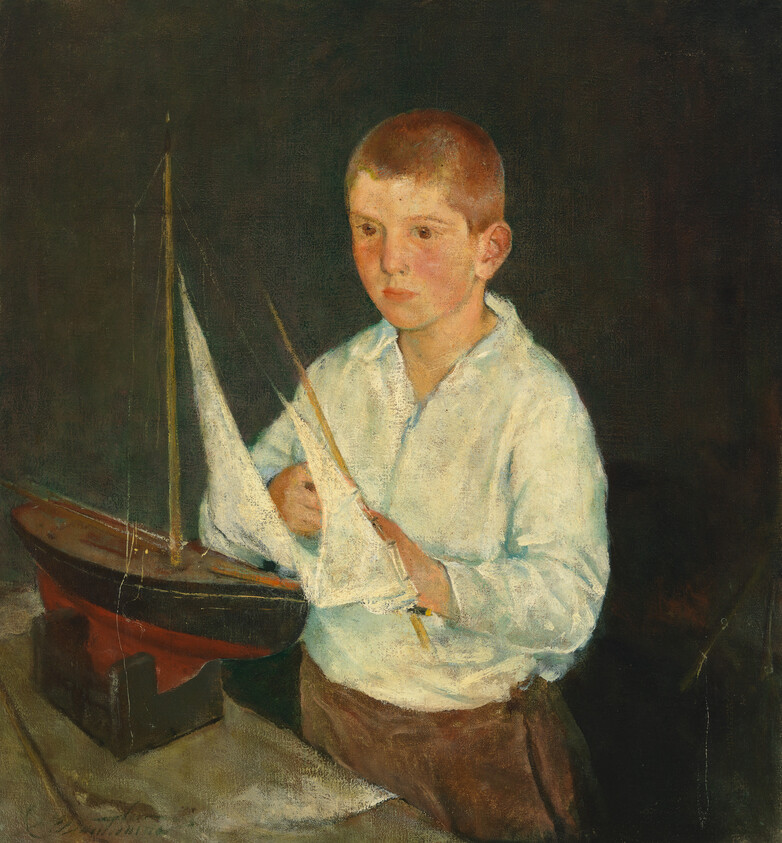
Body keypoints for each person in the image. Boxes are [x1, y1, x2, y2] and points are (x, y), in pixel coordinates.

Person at [205, 110, 609, 841]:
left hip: (477, 748)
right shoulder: (336, 377)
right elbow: (219, 524)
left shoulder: (538, 402)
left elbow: (571, 602)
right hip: (331, 722)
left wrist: (439, 583)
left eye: (423, 232)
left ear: (489, 250)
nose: (390, 260)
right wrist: (272, 500)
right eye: (369, 229)